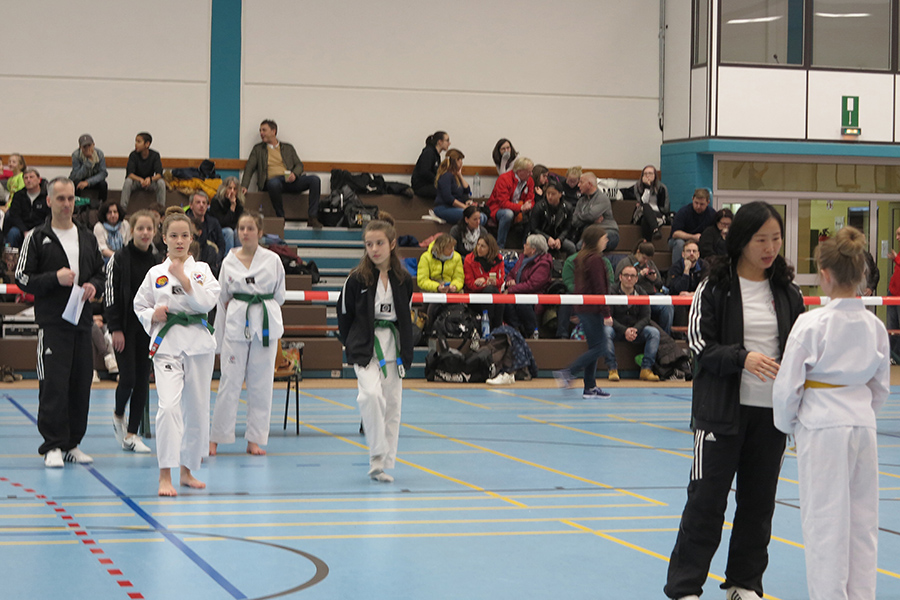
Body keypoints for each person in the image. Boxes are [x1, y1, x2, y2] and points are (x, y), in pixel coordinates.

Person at [664, 201, 805, 600]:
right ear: (741, 240)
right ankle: (685, 587)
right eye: (761, 239)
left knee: (758, 506)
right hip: (720, 415)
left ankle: (744, 583)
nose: (770, 248)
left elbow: (800, 347)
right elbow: (699, 346)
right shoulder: (714, 287)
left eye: (776, 239)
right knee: (705, 503)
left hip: (771, 418)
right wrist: (742, 358)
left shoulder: (788, 291)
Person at [772, 226, 889, 600]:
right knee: (862, 523)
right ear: (861, 274)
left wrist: (790, 425)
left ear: (824, 275)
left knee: (826, 524)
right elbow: (880, 389)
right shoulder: (875, 327)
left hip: (822, 427)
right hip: (862, 425)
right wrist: (857, 410)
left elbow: (787, 389)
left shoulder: (811, 324)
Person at [15, 176, 105, 468]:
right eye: (61, 198)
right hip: (53, 324)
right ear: (49, 200)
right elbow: (22, 277)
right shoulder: (36, 237)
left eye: (71, 198)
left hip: (82, 321)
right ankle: (52, 445)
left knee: (80, 384)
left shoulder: (87, 236)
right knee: (53, 385)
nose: (67, 204)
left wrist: (93, 286)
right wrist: (55, 278)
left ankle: (71, 444)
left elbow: (101, 273)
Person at [134, 210, 220, 496]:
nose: (179, 241)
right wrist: (153, 314)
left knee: (197, 408)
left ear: (192, 238)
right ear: (164, 238)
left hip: (198, 345)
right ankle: (165, 475)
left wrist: (185, 280)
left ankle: (187, 471)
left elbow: (207, 302)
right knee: (169, 407)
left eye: (184, 235)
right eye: (174, 236)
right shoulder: (155, 274)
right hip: (168, 344)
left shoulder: (202, 270)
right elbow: (139, 305)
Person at [337, 219, 414, 483]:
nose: (374, 249)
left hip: (394, 346)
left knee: (392, 406)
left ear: (392, 244)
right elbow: (344, 315)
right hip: (365, 346)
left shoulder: (403, 280)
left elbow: (405, 316)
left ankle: (380, 464)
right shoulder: (356, 279)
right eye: (369, 244)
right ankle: (377, 450)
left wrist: (406, 349)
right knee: (370, 395)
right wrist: (352, 342)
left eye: (379, 243)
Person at [210, 213, 286, 456]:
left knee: (261, 385)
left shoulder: (273, 260)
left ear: (260, 232)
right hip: (236, 324)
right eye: (241, 228)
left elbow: (279, 296)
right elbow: (222, 300)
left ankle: (254, 440)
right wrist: (218, 340)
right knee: (229, 382)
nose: (245, 232)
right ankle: (216, 438)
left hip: (264, 325)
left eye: (250, 228)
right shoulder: (228, 260)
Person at [106, 209, 161, 454]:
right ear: (132, 230)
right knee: (127, 378)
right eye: (140, 228)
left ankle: (132, 434)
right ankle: (118, 414)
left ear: (155, 232)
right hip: (125, 328)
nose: (145, 233)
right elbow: (110, 296)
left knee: (142, 381)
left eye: (149, 229)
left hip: (148, 330)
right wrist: (115, 328)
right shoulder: (118, 258)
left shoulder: (158, 262)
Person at [553, 225, 613, 398]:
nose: (607, 241)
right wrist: (606, 312)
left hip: (585, 307)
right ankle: (569, 372)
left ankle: (590, 387)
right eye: (604, 238)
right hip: (592, 308)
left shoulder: (583, 258)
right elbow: (599, 288)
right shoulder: (595, 260)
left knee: (595, 347)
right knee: (601, 347)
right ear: (596, 240)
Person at [240, 119, 322, 227]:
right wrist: (244, 186)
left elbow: (299, 165)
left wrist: (294, 174)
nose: (261, 133)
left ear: (273, 131)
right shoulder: (258, 149)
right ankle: (280, 217)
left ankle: (312, 217)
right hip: (272, 182)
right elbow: (249, 168)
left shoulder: (288, 148)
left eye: (264, 130)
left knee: (315, 180)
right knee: (273, 183)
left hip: (289, 179)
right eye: (260, 131)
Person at [604, 264, 661, 382]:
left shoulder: (642, 293)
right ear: (620, 277)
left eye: (632, 276)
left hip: (636, 331)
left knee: (654, 332)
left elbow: (646, 317)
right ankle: (612, 369)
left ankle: (646, 369)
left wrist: (635, 329)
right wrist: (624, 330)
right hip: (616, 330)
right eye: (626, 275)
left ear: (636, 279)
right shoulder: (611, 292)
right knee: (606, 331)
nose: (629, 278)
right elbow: (609, 318)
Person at [614, 241, 673, 334]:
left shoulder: (650, 264)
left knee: (667, 305)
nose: (645, 261)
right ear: (638, 252)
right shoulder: (625, 263)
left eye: (648, 259)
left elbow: (660, 284)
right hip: (635, 295)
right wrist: (640, 275)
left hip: (651, 295)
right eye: (644, 258)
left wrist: (654, 279)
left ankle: (665, 334)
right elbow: (618, 282)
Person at [503, 234, 552, 338]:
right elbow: (511, 273)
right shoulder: (522, 258)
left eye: (527, 244)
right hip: (518, 293)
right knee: (506, 303)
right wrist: (510, 280)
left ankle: (532, 332)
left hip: (534, 297)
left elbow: (532, 285)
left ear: (533, 250)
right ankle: (517, 330)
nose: (524, 246)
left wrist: (512, 289)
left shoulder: (544, 264)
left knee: (522, 303)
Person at [487, 156, 535, 248]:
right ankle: (500, 246)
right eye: (529, 171)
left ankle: (525, 246)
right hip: (498, 209)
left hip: (519, 209)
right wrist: (521, 207)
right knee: (508, 214)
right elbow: (503, 203)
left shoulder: (530, 181)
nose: (531, 174)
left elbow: (531, 199)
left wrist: (528, 205)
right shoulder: (504, 179)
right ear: (520, 171)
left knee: (534, 212)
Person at [417, 233, 464, 323]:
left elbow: (459, 278)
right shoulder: (426, 257)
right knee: (435, 304)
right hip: (432, 290)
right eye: (449, 248)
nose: (453, 250)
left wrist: (454, 286)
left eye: (453, 247)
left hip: (450, 290)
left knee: (458, 303)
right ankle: (429, 327)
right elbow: (422, 280)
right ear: (441, 248)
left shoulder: (457, 257)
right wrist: (437, 287)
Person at [463, 233, 505, 331]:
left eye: (483, 246)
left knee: (499, 299)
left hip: (494, 294)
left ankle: (495, 329)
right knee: (489, 291)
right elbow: (470, 284)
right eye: (478, 245)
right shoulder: (469, 259)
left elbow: (500, 280)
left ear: (490, 248)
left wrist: (487, 281)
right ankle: (492, 328)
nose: (479, 248)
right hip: (475, 297)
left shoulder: (499, 259)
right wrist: (486, 283)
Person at [433, 148, 486, 225]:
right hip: (443, 208)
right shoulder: (446, 176)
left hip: (455, 208)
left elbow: (467, 190)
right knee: (475, 217)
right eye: (460, 160)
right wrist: (464, 207)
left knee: (483, 217)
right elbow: (448, 198)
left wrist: (460, 175)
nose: (462, 163)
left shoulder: (456, 176)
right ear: (456, 161)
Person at [4, 167, 49, 248]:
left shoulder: (46, 196)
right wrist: (24, 231)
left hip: (40, 229)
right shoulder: (18, 195)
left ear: (39, 180)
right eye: (26, 178)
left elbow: (49, 216)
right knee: (12, 233)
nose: (28, 180)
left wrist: (35, 231)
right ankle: (8, 255)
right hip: (21, 229)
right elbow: (14, 216)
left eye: (31, 177)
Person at [573, 172, 619, 250]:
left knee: (587, 246)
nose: (578, 185)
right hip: (590, 232)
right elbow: (574, 221)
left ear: (589, 184)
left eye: (581, 182)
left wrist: (581, 216)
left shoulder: (602, 198)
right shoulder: (581, 201)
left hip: (608, 231)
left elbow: (591, 215)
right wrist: (591, 220)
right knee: (580, 246)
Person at [121, 132, 166, 210]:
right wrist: (140, 179)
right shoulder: (133, 155)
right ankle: (122, 209)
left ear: (147, 144)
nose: (136, 144)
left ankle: (161, 209)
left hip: (149, 183)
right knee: (128, 181)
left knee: (161, 182)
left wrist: (150, 179)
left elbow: (159, 174)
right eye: (136, 141)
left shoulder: (155, 155)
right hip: (137, 182)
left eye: (139, 142)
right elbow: (130, 174)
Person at [529, 181, 575, 258]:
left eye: (553, 194)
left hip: (558, 237)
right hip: (542, 236)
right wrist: (548, 238)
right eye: (548, 193)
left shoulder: (568, 208)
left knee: (571, 247)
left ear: (560, 194)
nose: (550, 196)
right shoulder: (539, 207)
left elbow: (567, 228)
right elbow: (534, 228)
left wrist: (560, 239)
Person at [669, 188, 716, 260]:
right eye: (696, 203)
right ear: (692, 199)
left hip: (702, 241)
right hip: (682, 240)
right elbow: (675, 233)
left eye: (702, 204)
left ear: (708, 203)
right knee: (679, 243)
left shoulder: (712, 214)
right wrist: (693, 237)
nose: (698, 206)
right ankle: (678, 266)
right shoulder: (683, 212)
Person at [185, 191, 225, 273]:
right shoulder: (184, 222)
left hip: (211, 258)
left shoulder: (214, 222)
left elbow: (221, 245)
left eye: (204, 203)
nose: (201, 205)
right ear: (191, 205)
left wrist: (217, 258)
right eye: (198, 202)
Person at [629, 165, 669, 242]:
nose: (647, 176)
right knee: (646, 206)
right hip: (641, 213)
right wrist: (647, 187)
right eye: (645, 173)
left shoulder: (662, 188)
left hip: (657, 214)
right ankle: (655, 230)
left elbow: (665, 208)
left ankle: (647, 243)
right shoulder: (638, 187)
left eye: (650, 173)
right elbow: (642, 203)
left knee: (645, 220)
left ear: (655, 175)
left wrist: (652, 211)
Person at [210, 177, 245, 253]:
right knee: (229, 232)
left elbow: (238, 222)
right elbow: (222, 223)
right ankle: (228, 258)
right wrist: (232, 208)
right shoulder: (216, 201)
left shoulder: (239, 203)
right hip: (218, 230)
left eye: (235, 189)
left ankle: (240, 257)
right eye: (230, 188)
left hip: (232, 229)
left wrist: (234, 205)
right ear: (224, 188)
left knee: (238, 232)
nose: (232, 191)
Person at [69, 134, 108, 202]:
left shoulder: (99, 154)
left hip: (94, 179)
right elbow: (76, 176)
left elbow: (103, 173)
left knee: (103, 184)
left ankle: (101, 204)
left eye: (89, 145)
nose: (87, 149)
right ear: (80, 147)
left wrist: (88, 182)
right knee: (75, 183)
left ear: (93, 145)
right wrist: (88, 162)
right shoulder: (76, 155)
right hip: (81, 179)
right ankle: (76, 205)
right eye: (84, 147)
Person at [411, 131, 449, 199]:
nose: (449, 143)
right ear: (440, 142)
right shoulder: (429, 152)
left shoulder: (437, 156)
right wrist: (438, 181)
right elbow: (424, 172)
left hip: (430, 184)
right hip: (421, 186)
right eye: (447, 140)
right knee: (444, 191)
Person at [887, 225, 900, 360]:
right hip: (892, 294)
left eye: (899, 234)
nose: (897, 238)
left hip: (899, 296)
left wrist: (896, 259)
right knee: (892, 327)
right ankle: (893, 357)